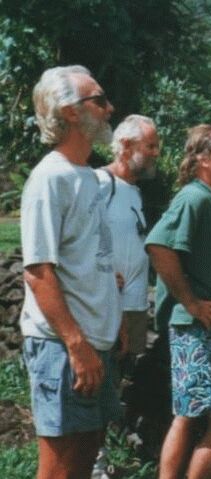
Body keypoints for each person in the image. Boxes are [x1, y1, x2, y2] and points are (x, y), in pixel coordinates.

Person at [20, 65, 122, 479]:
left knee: (85, 457)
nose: (110, 108)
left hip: (91, 343)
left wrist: (103, 281)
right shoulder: (50, 178)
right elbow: (38, 271)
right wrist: (77, 346)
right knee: (60, 469)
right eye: (99, 100)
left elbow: (74, 256)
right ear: (71, 112)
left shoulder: (86, 177)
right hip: (64, 346)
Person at [145, 124, 211, 479]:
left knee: (199, 417)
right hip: (200, 329)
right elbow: (159, 245)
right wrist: (192, 303)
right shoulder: (195, 198)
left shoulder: (209, 200)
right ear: (203, 158)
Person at [96, 114, 160, 361]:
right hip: (109, 306)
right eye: (150, 146)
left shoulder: (134, 192)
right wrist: (100, 273)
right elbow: (79, 237)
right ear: (125, 146)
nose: (156, 153)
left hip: (134, 306)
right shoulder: (101, 183)